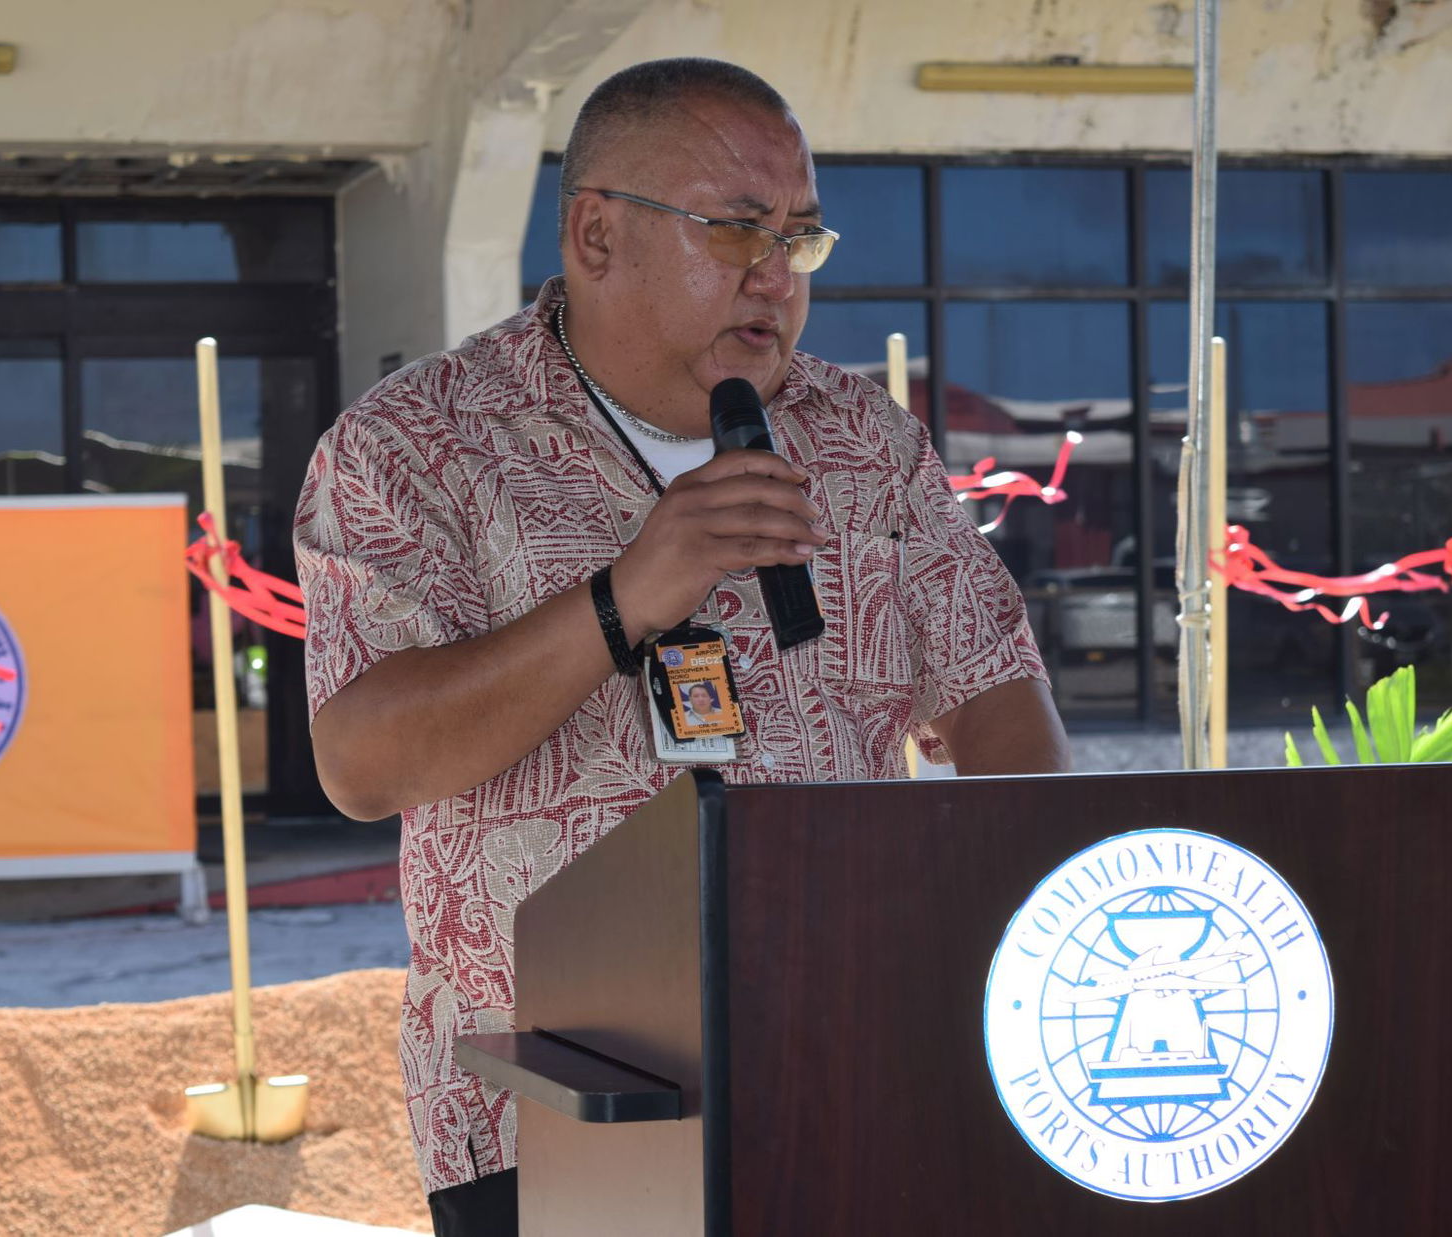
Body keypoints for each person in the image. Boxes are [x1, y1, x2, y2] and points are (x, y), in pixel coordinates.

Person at [294, 57, 1069, 1237]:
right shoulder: (411, 447)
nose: (775, 275)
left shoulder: (862, 439)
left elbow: (999, 703)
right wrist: (624, 598)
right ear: (596, 235)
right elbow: (363, 761)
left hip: (856, 1072)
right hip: (558, 1109)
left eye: (798, 238)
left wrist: (1023, 949)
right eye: (736, 229)